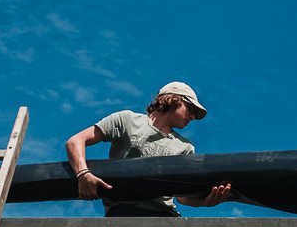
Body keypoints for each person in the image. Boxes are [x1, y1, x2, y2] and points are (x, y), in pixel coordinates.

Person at [65, 82, 233, 216]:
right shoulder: (127, 120)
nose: (193, 117)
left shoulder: (186, 147)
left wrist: (206, 202)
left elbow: (181, 196)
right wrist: (83, 174)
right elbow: (75, 141)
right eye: (191, 109)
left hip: (165, 217)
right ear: (174, 99)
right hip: (122, 213)